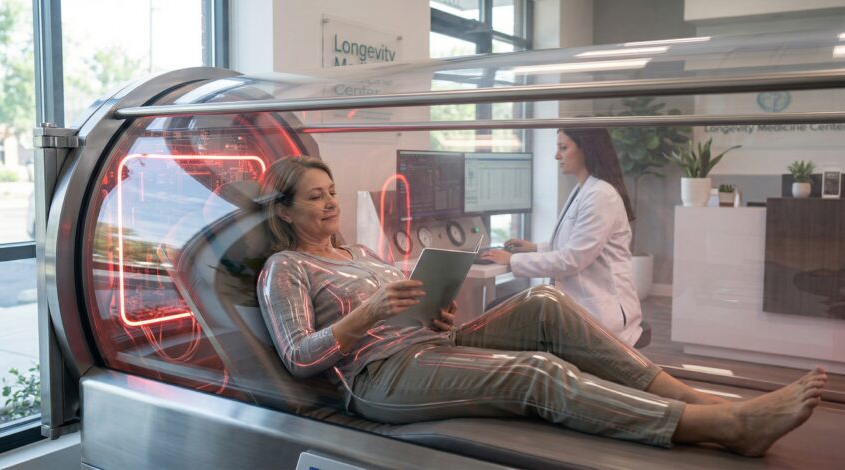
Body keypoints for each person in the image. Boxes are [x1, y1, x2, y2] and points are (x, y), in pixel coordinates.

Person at [257, 156, 826, 456]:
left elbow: (406, 310)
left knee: (545, 303)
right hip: (377, 376)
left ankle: (691, 398)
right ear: (284, 211)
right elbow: (300, 357)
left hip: (426, 344)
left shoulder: (357, 251)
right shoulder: (286, 268)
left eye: (332, 191)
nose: (330, 202)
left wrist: (434, 312)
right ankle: (722, 424)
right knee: (538, 371)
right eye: (315, 196)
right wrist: (371, 313)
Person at [480, 128, 643, 345]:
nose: (557, 155)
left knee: (495, 316)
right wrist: (535, 248)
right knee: (497, 311)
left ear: (586, 150)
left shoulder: (600, 195)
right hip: (580, 304)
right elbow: (576, 245)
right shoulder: (585, 189)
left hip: (601, 312)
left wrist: (512, 260)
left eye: (563, 148)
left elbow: (573, 259)